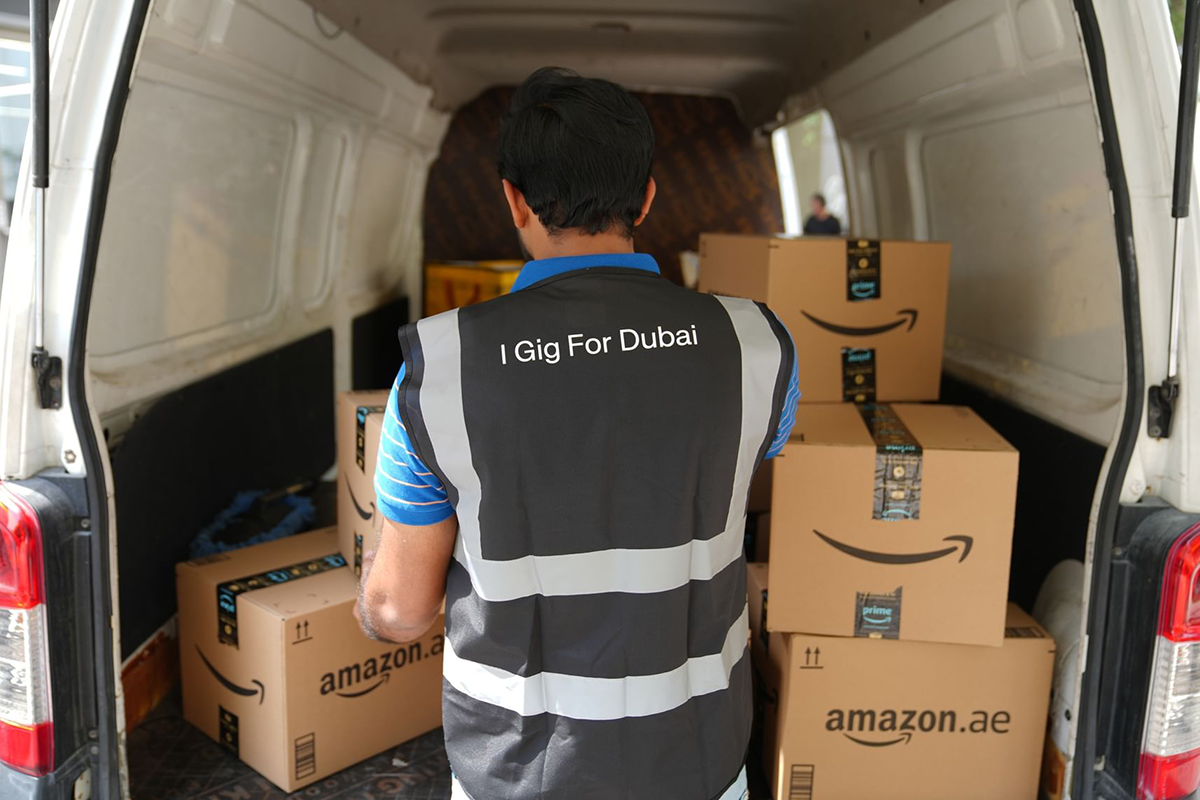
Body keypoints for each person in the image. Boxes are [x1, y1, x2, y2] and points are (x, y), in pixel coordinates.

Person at [355, 66, 800, 800]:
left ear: (515, 200)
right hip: (698, 760)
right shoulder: (758, 346)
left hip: (517, 770)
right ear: (647, 197)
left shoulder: (438, 371)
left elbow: (401, 613)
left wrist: (369, 598)